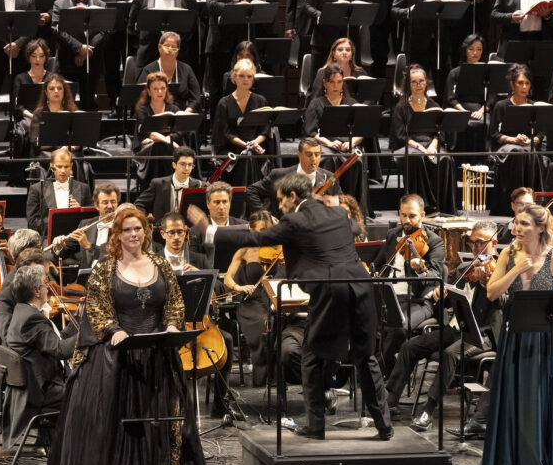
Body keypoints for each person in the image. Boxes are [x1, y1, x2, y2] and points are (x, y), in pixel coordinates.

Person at [192, 174, 393, 440]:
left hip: (330, 290)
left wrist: (210, 231)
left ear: (293, 196)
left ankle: (316, 426)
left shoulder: (295, 221)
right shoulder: (337, 214)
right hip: (362, 286)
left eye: (281, 201)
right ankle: (384, 426)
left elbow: (256, 238)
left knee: (311, 357)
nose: (279, 207)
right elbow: (355, 229)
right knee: (366, 357)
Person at [53, 205, 212, 465]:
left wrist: (173, 325)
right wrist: (114, 330)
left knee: (161, 416)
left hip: (157, 352)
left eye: (138, 228)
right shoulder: (105, 268)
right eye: (127, 229)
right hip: (118, 354)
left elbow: (175, 301)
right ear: (117, 234)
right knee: (117, 420)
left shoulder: (160, 264)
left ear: (146, 231)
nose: (134, 234)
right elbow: (98, 308)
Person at [479, 204, 553, 465]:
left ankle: (546, 464)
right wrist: (516, 270)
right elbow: (492, 293)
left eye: (525, 224)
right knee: (514, 398)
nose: (517, 229)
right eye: (516, 223)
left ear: (540, 228)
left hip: (544, 340)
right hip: (514, 337)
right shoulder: (508, 254)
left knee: (543, 400)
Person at [386, 221, 498, 431]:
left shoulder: (499, 269)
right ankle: (389, 401)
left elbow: (500, 303)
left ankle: (428, 411)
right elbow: (452, 301)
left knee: (449, 354)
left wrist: (486, 282)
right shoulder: (465, 268)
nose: (475, 247)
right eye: (472, 242)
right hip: (456, 328)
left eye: (481, 242)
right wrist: (441, 295)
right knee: (409, 346)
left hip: (481, 334)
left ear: (494, 242)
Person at [2, 264, 78, 449]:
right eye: (45, 284)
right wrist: (90, 331)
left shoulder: (22, 311)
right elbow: (61, 350)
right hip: (40, 392)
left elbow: (55, 340)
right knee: (88, 393)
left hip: (34, 386)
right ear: (36, 291)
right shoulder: (32, 319)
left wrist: (78, 321)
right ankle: (75, 451)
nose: (48, 288)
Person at [371, 194, 446, 373]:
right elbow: (379, 263)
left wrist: (420, 270)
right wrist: (375, 272)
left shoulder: (433, 241)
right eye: (403, 215)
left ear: (422, 215)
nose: (406, 220)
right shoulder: (393, 235)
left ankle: (375, 371)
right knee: (362, 318)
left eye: (412, 216)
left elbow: (435, 276)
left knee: (400, 327)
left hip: (418, 300)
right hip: (390, 295)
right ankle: (380, 367)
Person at [222, 211, 283, 388]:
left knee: (283, 323)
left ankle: (279, 376)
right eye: (262, 230)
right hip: (252, 303)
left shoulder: (279, 248)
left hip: (274, 300)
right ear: (251, 230)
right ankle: (263, 376)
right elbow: (228, 278)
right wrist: (239, 287)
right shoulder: (245, 251)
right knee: (265, 325)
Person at [89, 0, 146, 107]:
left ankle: (134, 105)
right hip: (109, 29)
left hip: (131, 29)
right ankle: (115, 104)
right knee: (111, 69)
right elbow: (93, 0)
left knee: (134, 67)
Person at [392, 64, 459, 213]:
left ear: (426, 83)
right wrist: (419, 147)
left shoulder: (433, 105)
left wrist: (432, 146)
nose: (418, 85)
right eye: (414, 82)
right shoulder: (401, 107)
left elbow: (440, 133)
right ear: (408, 85)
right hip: (410, 145)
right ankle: (425, 205)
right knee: (417, 158)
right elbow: (400, 135)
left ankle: (444, 206)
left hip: (431, 144)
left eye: (421, 81)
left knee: (446, 159)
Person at [304, 65, 373, 192]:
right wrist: (329, 143)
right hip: (325, 144)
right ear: (324, 83)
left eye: (339, 82)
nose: (335, 86)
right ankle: (326, 196)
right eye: (332, 82)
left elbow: (361, 132)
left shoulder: (351, 102)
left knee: (355, 160)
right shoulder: (316, 103)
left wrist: (351, 143)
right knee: (329, 158)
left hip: (348, 145)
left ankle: (351, 199)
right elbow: (311, 132)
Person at [203, 0, 261, 98]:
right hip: (219, 45)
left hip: (243, 46)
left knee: (246, 89)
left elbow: (260, 5)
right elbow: (212, 6)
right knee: (217, 90)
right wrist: (236, 7)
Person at [488, 63, 545, 215]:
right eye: (520, 83)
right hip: (507, 146)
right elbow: (494, 134)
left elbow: (540, 134)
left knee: (531, 152)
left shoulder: (534, 106)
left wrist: (531, 141)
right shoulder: (501, 105)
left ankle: (534, 204)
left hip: (527, 145)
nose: (524, 87)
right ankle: (514, 204)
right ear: (512, 85)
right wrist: (513, 140)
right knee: (517, 152)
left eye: (527, 83)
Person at [51, 0, 106, 110]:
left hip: (92, 60)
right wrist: (79, 47)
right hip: (68, 60)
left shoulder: (100, 4)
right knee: (67, 103)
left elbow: (104, 31)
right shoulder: (60, 4)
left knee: (89, 103)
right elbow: (57, 30)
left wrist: (86, 51)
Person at [213, 58, 276, 185]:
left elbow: (265, 130)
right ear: (234, 77)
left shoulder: (261, 101)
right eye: (241, 76)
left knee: (249, 156)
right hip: (231, 148)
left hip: (256, 146)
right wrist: (246, 145)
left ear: (253, 79)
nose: (245, 79)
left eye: (249, 76)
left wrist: (254, 143)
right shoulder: (224, 103)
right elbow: (226, 133)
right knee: (246, 157)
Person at [247, 138, 343, 218]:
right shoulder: (279, 175)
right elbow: (251, 191)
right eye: (309, 154)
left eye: (317, 154)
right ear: (299, 154)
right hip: (284, 231)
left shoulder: (330, 178)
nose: (314, 159)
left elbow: (341, 205)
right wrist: (265, 216)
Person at [129, 0, 196, 68]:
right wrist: (144, 43)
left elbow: (192, 28)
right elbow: (131, 28)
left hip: (179, 56)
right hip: (147, 55)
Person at [133, 71, 188, 186]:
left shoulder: (174, 109)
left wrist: (169, 139)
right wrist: (169, 141)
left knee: (163, 146)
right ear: (149, 91)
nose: (159, 92)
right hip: (148, 148)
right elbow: (149, 133)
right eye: (155, 89)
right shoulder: (142, 110)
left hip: (170, 147)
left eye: (162, 88)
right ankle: (157, 185)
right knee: (158, 146)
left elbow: (180, 131)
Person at [442, 34, 492, 154]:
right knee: (459, 125)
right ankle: (459, 159)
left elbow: (491, 98)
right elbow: (451, 98)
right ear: (465, 50)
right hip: (459, 109)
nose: (475, 53)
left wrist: (481, 112)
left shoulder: (488, 73)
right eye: (471, 49)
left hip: (480, 110)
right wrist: (463, 111)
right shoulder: (454, 73)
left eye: (479, 49)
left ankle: (482, 159)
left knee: (487, 123)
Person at [25, 147, 92, 237]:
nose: (63, 171)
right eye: (59, 167)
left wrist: (80, 212)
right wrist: (58, 222)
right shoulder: (37, 189)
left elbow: (91, 220)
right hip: (48, 239)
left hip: (76, 239)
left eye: (66, 167)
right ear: (52, 167)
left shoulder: (84, 188)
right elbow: (32, 222)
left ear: (71, 166)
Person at [138, 31, 204, 115]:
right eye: (166, 46)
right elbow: (142, 97)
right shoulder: (148, 70)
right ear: (159, 47)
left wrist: (186, 113)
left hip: (183, 114)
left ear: (178, 51)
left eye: (174, 48)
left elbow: (195, 98)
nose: (170, 50)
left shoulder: (186, 69)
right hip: (156, 114)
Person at [135, 146, 202, 222]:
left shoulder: (199, 185)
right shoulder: (158, 184)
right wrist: (144, 222)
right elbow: (139, 204)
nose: (187, 168)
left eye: (190, 165)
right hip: (162, 228)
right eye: (183, 164)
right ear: (174, 165)